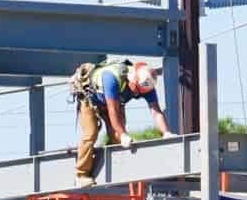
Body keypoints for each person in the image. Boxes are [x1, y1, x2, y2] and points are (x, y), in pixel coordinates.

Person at [71, 57, 173, 185]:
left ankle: (114, 167)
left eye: (140, 92)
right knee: (90, 134)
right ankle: (81, 174)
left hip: (114, 101)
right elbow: (112, 111)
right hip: (89, 99)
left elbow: (156, 111)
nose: (136, 93)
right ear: (132, 79)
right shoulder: (111, 78)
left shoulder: (146, 85)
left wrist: (166, 132)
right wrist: (123, 134)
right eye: (135, 89)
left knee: (117, 138)